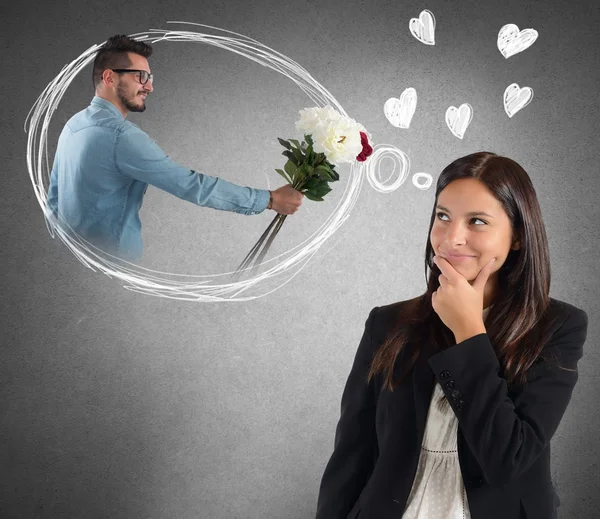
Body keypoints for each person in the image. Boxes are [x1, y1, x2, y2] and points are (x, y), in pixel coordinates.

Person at [315, 152, 588, 519]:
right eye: (442, 216)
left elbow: (508, 459)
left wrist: (469, 330)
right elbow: (352, 454)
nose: (452, 238)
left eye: (477, 221)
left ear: (519, 236)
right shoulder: (388, 323)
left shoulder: (558, 326)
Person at [46, 34, 303, 261]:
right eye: (141, 76)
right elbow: (192, 186)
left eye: (150, 77)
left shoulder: (73, 125)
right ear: (109, 77)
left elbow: (54, 201)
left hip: (76, 262)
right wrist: (269, 200)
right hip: (113, 264)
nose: (150, 86)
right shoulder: (121, 137)